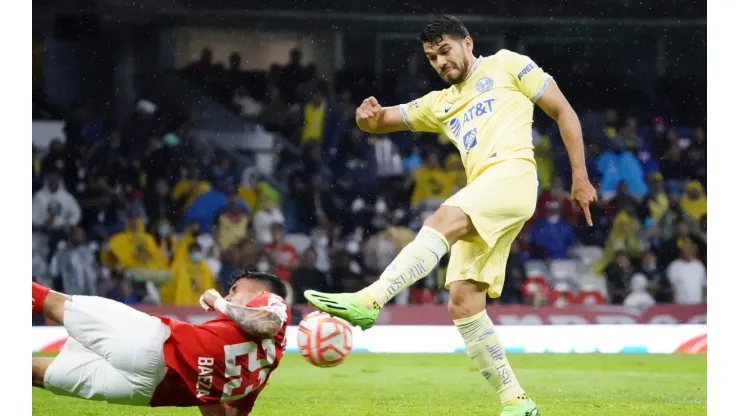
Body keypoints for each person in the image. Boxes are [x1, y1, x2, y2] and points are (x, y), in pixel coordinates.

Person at [305, 15, 597, 416]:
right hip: (487, 192)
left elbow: (563, 111)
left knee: (442, 218)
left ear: (467, 43)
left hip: (513, 175)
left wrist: (579, 177)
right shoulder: (438, 103)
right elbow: (381, 121)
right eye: (431, 57)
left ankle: (371, 299)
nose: (440, 62)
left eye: (445, 51)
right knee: (463, 301)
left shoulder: (508, 64)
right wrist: (365, 117)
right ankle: (516, 400)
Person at [32, 270, 290, 415]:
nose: (228, 295)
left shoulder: (272, 301)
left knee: (52, 308)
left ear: (260, 292)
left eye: (234, 289)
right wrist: (209, 384)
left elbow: (268, 323)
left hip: (149, 350)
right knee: (52, 308)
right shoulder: (261, 370)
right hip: (148, 385)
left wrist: (218, 301)